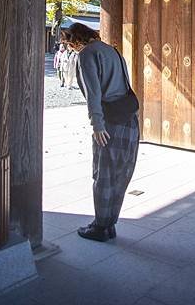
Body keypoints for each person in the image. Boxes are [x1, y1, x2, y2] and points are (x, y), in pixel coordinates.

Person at [61, 23, 139, 242]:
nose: (69, 47)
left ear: (76, 39)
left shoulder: (87, 54)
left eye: (68, 42)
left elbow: (93, 92)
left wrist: (97, 125)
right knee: (120, 173)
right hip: (129, 116)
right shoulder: (112, 50)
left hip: (110, 121)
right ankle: (110, 223)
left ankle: (100, 226)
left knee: (103, 174)